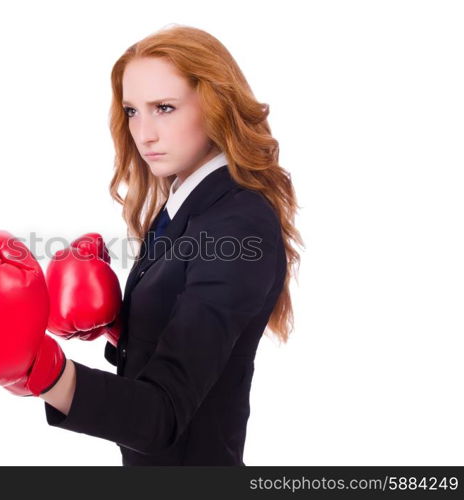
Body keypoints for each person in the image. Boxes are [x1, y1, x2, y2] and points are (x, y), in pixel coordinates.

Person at [37, 25, 303, 466]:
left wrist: (42, 370)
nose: (144, 134)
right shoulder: (188, 207)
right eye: (132, 111)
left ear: (217, 106)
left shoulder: (237, 225)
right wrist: (117, 327)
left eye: (164, 108)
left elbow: (162, 414)